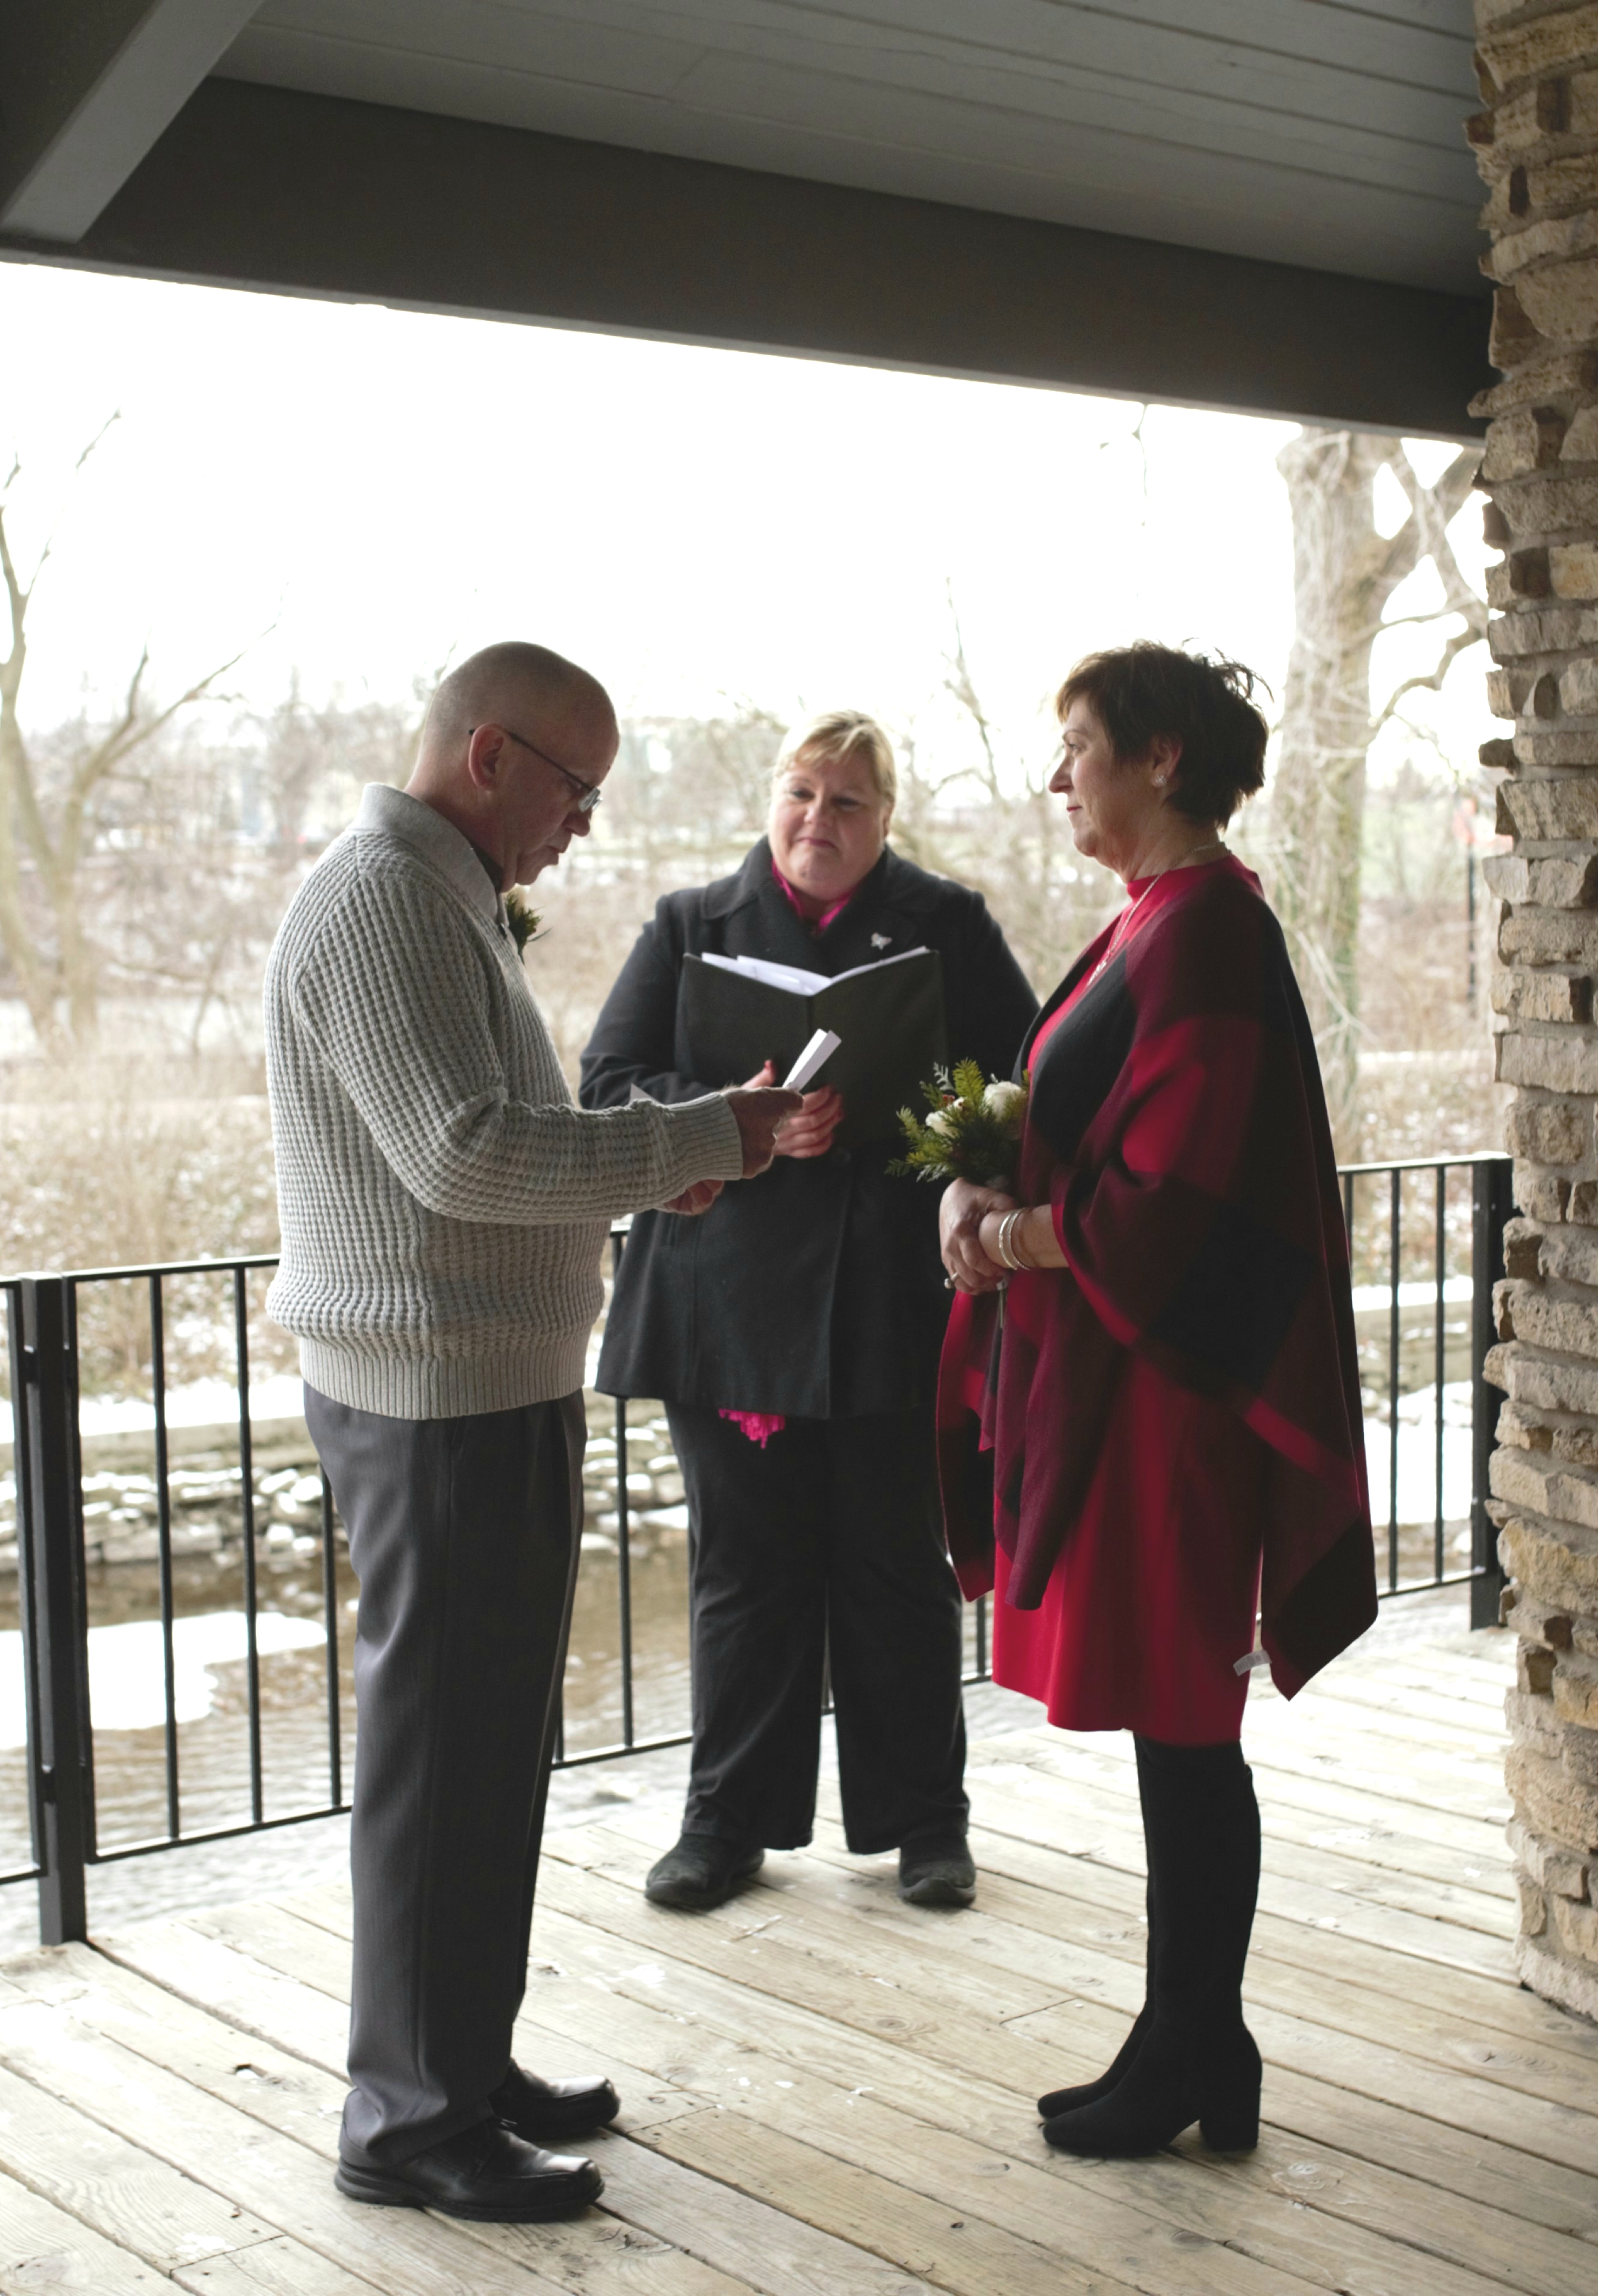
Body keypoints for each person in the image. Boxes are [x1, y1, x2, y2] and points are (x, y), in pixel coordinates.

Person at [263, 641, 799, 2223]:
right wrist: (696, 1133)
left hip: (486, 1382)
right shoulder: (381, 899)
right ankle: (407, 2114)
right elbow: (460, 1150)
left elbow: (498, 1141)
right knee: (443, 1759)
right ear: (490, 755)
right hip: (435, 1398)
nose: (583, 825)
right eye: (576, 786)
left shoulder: (433, 897)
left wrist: (661, 1164)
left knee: (493, 1750)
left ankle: (461, 2061)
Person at [937, 644, 1376, 2159]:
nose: (1058, 778)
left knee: (1190, 1723)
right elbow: (1076, 1123)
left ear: (1164, 761)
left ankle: (1196, 2042)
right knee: (1175, 1733)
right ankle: (1192, 2038)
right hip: (1134, 1378)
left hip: (1171, 1395)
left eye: (1079, 748)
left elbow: (1168, 1198)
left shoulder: (1199, 935)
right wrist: (985, 1174)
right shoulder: (1155, 923)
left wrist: (1006, 1237)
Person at [581, 710, 1037, 1913]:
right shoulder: (692, 926)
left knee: (897, 1566)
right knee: (746, 1573)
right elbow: (610, 1080)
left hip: (894, 1297)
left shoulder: (948, 926)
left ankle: (927, 1824)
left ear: (886, 818)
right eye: (799, 794)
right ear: (768, 801)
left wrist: (946, 1135)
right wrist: (730, 1111)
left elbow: (1016, 1082)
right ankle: (725, 1824)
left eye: (845, 802)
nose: (816, 820)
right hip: (726, 1305)